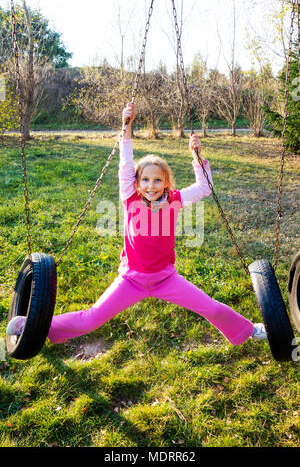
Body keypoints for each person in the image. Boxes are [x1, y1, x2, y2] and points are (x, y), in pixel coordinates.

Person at [7, 103, 267, 345]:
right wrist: (126, 126)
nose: (151, 186)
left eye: (157, 180)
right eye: (145, 180)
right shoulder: (130, 198)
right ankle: (33, 327)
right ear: (137, 183)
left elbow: (204, 187)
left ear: (166, 182)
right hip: (131, 279)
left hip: (166, 278)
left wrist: (197, 155)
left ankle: (249, 330)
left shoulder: (175, 200)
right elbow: (125, 164)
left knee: (210, 307)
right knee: (92, 317)